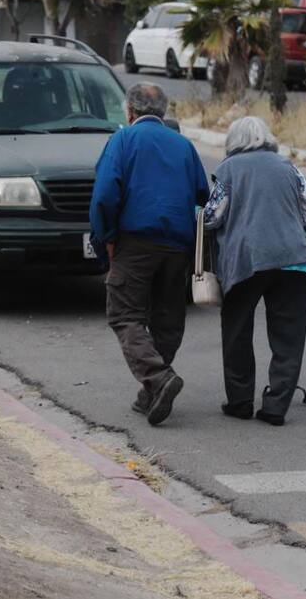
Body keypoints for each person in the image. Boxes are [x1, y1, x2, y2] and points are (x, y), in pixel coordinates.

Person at [90, 82, 209, 426]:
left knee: (124, 315)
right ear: (164, 112)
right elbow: (203, 197)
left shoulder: (123, 140)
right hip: (177, 246)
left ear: (129, 112)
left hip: (135, 242)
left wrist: (107, 237)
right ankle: (151, 392)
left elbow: (104, 196)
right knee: (167, 319)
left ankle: (158, 378)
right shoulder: (184, 146)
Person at [204, 116, 306, 427]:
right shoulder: (286, 166)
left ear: (233, 141)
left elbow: (211, 217)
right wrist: (297, 233)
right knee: (288, 336)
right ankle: (276, 406)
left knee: (237, 331)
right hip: (293, 260)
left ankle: (240, 401)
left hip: (247, 261)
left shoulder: (229, 169)